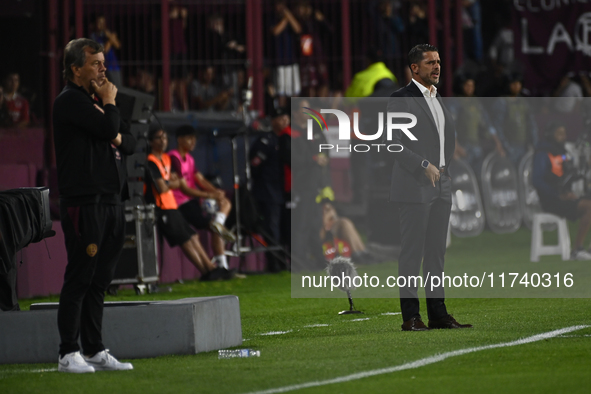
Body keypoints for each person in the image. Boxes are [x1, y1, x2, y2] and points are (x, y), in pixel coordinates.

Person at [53, 38, 135, 373]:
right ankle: (67, 351)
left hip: (112, 200)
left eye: (103, 62)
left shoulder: (96, 100)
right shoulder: (71, 101)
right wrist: (111, 107)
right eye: (95, 63)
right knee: (80, 277)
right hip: (85, 202)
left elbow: (127, 139)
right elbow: (108, 126)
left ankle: (94, 348)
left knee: (101, 280)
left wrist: (112, 127)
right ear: (75, 69)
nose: (103, 68)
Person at [388, 44, 472, 331]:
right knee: (412, 252)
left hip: (441, 184)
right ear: (414, 68)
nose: (437, 67)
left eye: (438, 61)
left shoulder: (437, 98)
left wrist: (445, 170)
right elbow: (393, 143)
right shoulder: (400, 99)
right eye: (429, 63)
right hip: (414, 185)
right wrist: (423, 164)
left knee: (436, 253)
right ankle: (411, 317)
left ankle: (438, 314)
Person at [145, 127, 233, 280]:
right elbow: (164, 187)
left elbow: (179, 182)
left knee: (193, 237)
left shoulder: (166, 158)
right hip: (163, 207)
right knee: (186, 239)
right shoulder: (153, 161)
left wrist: (213, 193)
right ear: (151, 142)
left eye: (165, 138)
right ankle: (209, 269)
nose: (163, 141)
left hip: (172, 204)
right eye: (159, 138)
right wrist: (174, 183)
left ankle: (211, 269)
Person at [168, 124, 236, 271]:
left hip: (193, 200)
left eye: (195, 139)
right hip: (182, 203)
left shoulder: (190, 159)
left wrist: (217, 193)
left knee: (225, 203)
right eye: (189, 138)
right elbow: (184, 188)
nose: (193, 142)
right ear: (179, 140)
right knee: (211, 231)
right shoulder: (174, 157)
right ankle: (220, 267)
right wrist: (209, 195)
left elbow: (200, 180)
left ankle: (218, 224)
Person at [532, 123, 591, 260]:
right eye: (559, 133)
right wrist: (557, 194)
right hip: (551, 200)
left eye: (564, 133)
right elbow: (537, 181)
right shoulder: (543, 154)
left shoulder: (562, 153)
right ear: (550, 135)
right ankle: (576, 249)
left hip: (563, 196)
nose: (563, 137)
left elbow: (567, 176)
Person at [249, 107, 292, 272]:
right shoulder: (266, 141)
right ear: (273, 121)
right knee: (271, 229)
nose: (284, 121)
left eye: (286, 118)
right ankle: (275, 263)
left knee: (284, 228)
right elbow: (255, 166)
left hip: (284, 191)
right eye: (280, 118)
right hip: (268, 192)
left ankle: (284, 261)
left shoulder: (287, 138)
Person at [90, 15, 123, 88]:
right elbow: (104, 50)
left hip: (114, 66)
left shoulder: (106, 35)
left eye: (103, 23)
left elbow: (118, 45)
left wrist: (110, 36)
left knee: (118, 88)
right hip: (103, 66)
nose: (102, 26)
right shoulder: (94, 36)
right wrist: (111, 39)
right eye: (99, 23)